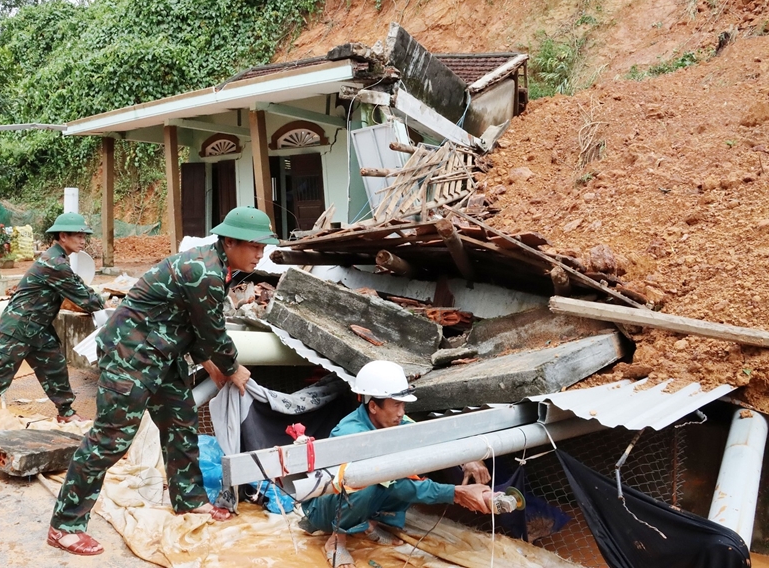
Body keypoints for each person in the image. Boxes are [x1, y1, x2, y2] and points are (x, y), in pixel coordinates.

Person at [47, 206, 279, 556]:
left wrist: (209, 363)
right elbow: (214, 333)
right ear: (230, 241)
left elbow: (195, 322)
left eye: (263, 247)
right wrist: (233, 367)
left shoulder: (221, 267)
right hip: (131, 353)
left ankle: (189, 499)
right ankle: (65, 525)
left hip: (162, 353)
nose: (260, 254)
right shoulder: (204, 271)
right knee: (110, 439)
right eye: (254, 246)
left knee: (180, 422)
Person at [301, 360, 494, 568]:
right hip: (323, 508)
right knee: (370, 483)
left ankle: (369, 525)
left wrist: (467, 458)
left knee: (406, 470)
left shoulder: (395, 422)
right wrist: (455, 493)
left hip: (362, 493)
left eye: (403, 405)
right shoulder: (352, 434)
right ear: (373, 406)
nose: (402, 412)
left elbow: (428, 438)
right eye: (396, 404)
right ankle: (336, 541)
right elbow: (398, 485)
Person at [0, 212, 105, 454]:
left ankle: (66, 413)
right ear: (63, 236)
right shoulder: (54, 263)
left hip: (38, 329)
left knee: (55, 368)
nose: (83, 240)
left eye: (84, 235)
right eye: (78, 235)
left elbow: (79, 290)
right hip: (16, 329)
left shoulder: (59, 261)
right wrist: (111, 307)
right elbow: (85, 297)